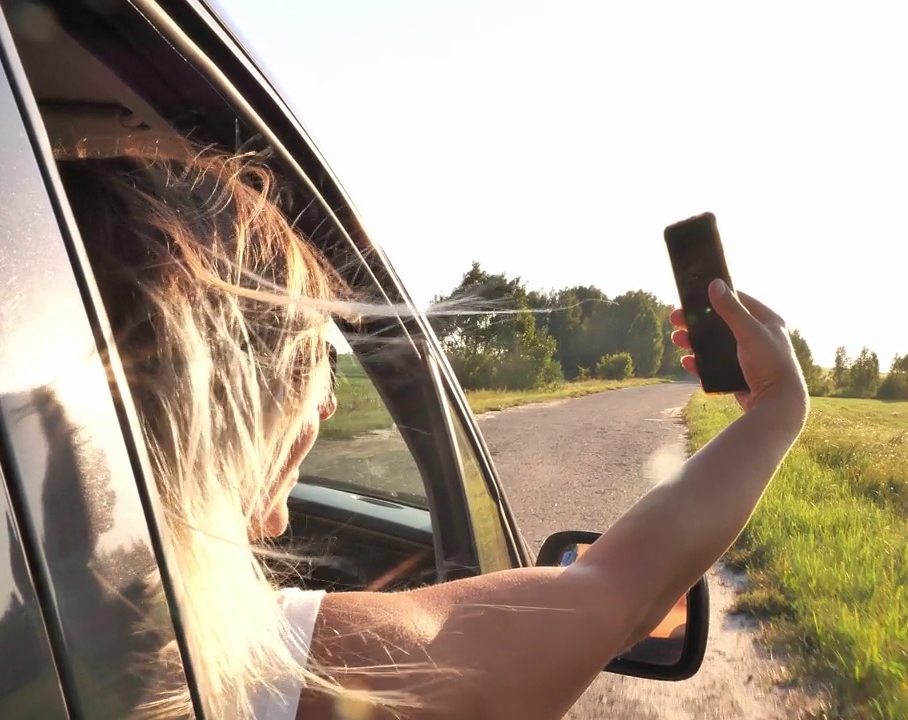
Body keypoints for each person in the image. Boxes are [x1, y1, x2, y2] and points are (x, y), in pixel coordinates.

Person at [57, 145, 808, 720]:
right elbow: (614, 591)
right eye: (319, 354)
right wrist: (776, 410)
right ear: (231, 395)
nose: (323, 406)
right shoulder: (242, 668)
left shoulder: (41, 636)